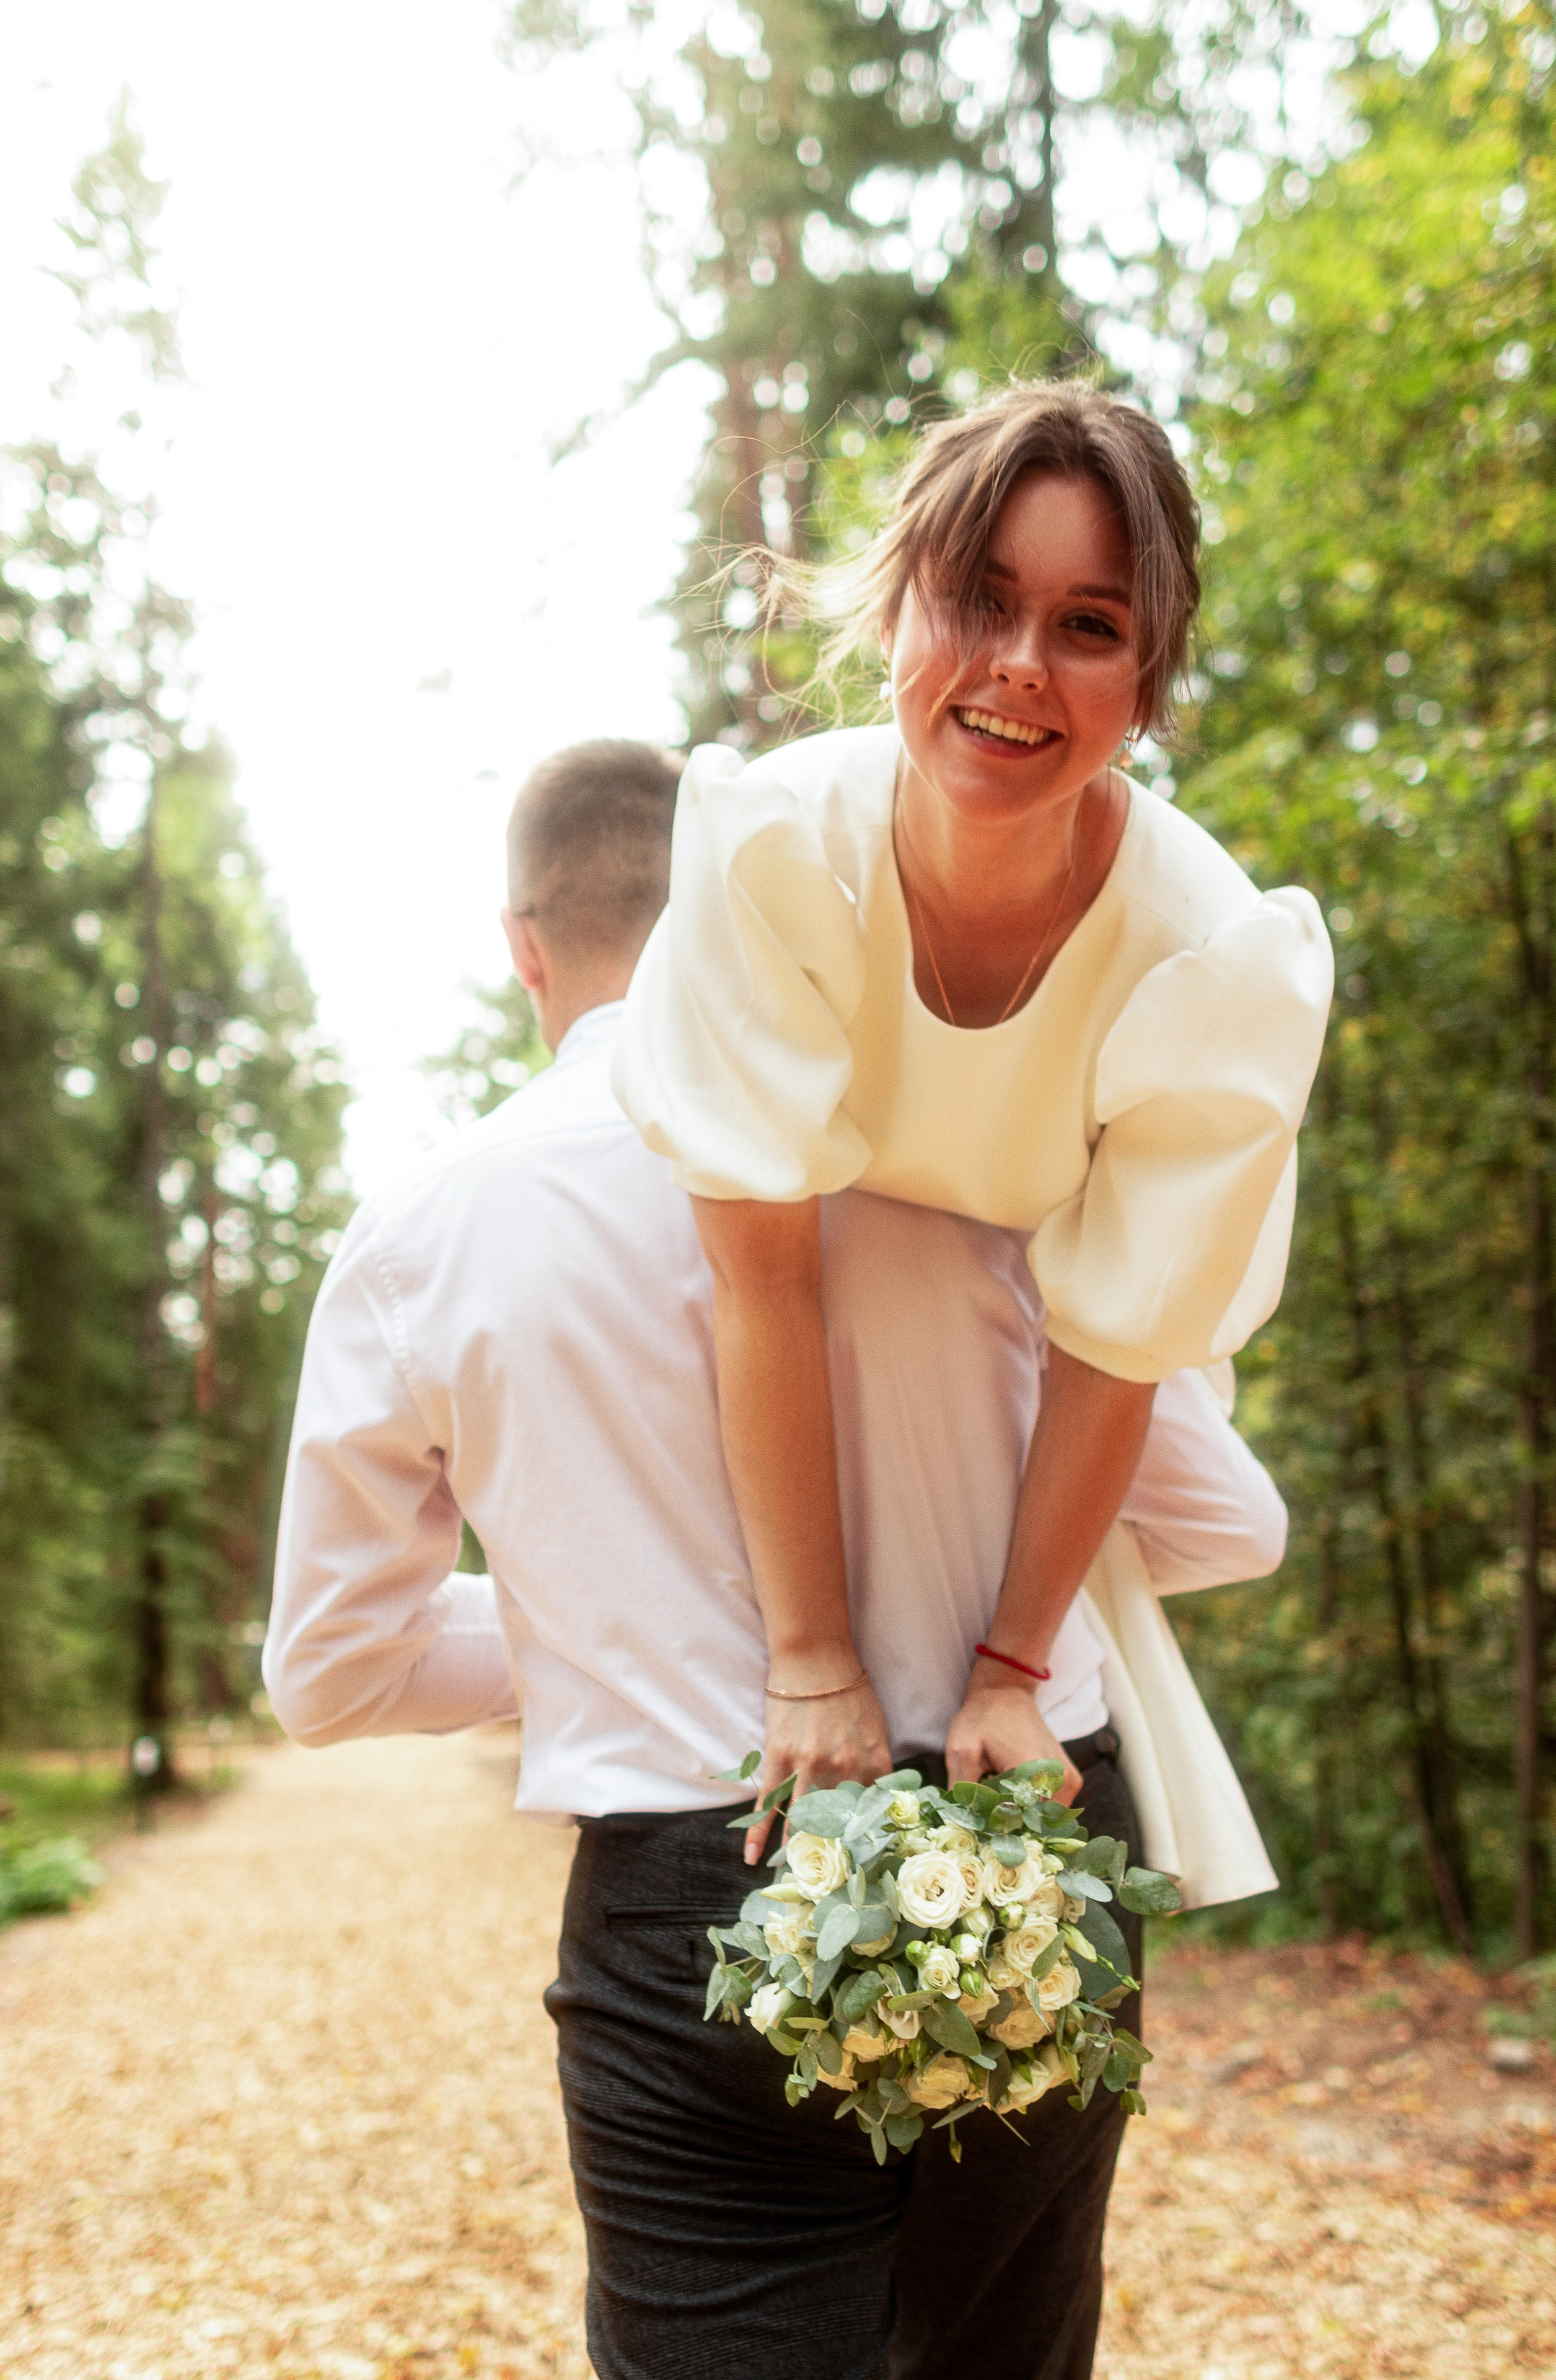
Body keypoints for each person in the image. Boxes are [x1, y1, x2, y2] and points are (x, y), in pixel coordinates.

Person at [267, 736, 1291, 2380]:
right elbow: (1229, 1525)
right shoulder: (957, 1162)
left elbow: (331, 1673)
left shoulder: (424, 1234)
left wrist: (583, 1615)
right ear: (747, 906)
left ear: (525, 946)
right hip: (1023, 1851)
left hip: (694, 1891)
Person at [612, 378, 1334, 1866]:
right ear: (894, 613)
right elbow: (762, 1274)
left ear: (1143, 683)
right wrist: (810, 1660)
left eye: (1087, 626)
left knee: (1221, 1529)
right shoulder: (774, 857)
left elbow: (1118, 1338)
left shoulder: (1213, 960)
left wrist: (1011, 1666)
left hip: (1074, 1361)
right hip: (812, 1309)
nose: (1018, 669)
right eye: (977, 600)